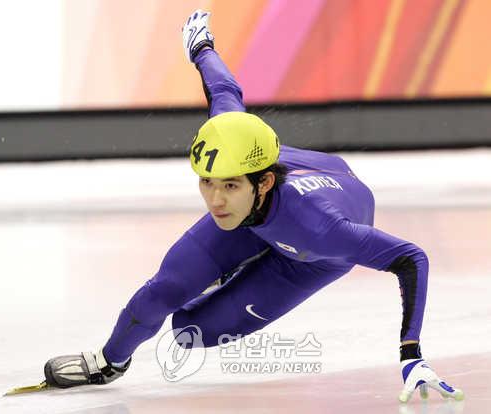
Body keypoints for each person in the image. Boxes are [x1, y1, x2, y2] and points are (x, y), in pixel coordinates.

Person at [43, 10, 463, 403]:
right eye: (206, 183)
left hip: (307, 256)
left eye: (227, 185)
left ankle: (234, 269)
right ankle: (109, 363)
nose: (214, 199)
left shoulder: (322, 229)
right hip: (262, 214)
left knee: (191, 330)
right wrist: (201, 47)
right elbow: (225, 90)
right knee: (165, 291)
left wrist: (411, 352)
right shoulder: (236, 144)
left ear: (262, 181)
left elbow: (410, 258)